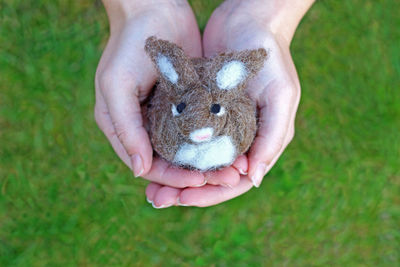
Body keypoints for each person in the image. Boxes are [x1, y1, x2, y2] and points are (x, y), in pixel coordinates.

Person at [95, 0, 315, 207]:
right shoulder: (167, 128)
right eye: (181, 109)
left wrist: (265, 15)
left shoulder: (234, 122)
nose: (200, 128)